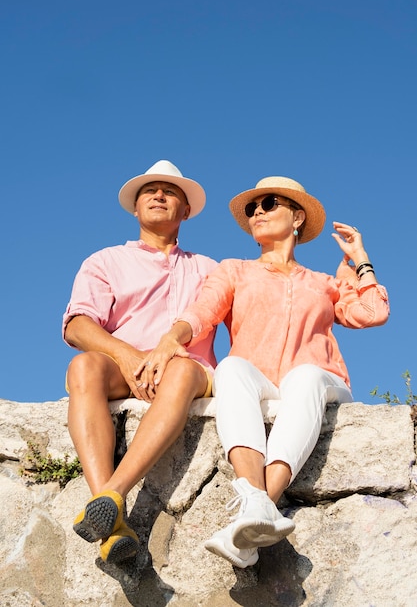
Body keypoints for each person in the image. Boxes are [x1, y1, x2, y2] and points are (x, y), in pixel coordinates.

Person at [137, 174, 390, 568]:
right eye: (253, 207)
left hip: (320, 380)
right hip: (260, 379)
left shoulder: (324, 282)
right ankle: (257, 508)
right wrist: (173, 338)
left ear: (298, 218)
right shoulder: (234, 270)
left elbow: (373, 313)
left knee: (304, 375)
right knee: (232, 367)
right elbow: (203, 312)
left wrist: (360, 258)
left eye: (269, 203)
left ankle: (258, 505)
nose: (257, 211)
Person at [62, 160, 218, 565]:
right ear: (136, 208)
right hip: (124, 368)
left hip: (187, 373)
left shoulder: (210, 270)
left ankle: (111, 495)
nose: (159, 195)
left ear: (186, 210)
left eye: (170, 192)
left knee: (182, 368)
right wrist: (127, 354)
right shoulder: (105, 261)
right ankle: (111, 521)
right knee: (83, 367)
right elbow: (77, 325)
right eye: (150, 191)